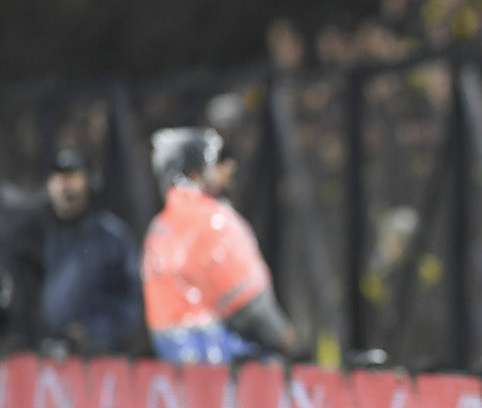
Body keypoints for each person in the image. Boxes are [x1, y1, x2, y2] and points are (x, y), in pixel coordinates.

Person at [141, 128, 297, 364]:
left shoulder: (159, 227)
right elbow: (246, 302)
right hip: (221, 367)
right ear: (195, 175)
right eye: (217, 162)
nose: (230, 168)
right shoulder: (212, 220)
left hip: (174, 366)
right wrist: (284, 337)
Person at [38, 150, 142, 353]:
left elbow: (131, 300)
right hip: (41, 358)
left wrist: (94, 331)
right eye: (58, 178)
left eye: (72, 177)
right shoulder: (35, 235)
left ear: (88, 182)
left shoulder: (111, 237)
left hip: (100, 359)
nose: (65, 186)